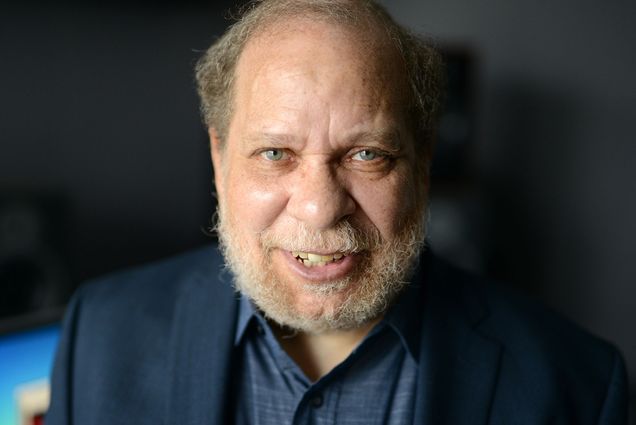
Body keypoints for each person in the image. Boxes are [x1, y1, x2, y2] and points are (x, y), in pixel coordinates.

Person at [47, 1, 628, 424]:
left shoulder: (576, 386)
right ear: (219, 157)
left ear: (423, 163)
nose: (321, 208)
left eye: (367, 154)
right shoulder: (99, 334)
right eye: (275, 153)